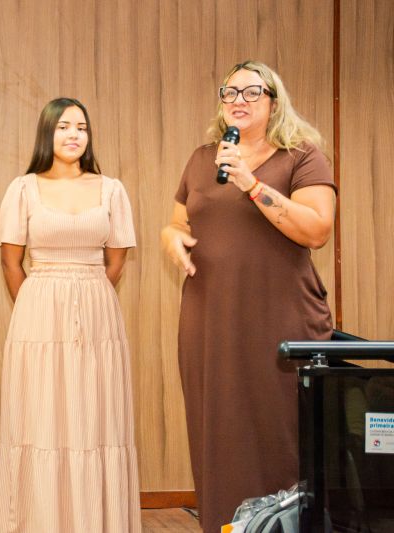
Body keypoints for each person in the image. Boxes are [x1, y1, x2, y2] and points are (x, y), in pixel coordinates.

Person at [161, 60, 336, 531]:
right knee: (216, 429)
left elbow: (317, 230)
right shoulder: (203, 158)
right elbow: (176, 222)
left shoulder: (301, 156)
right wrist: (171, 238)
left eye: (252, 92)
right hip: (209, 316)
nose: (238, 100)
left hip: (279, 318)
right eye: (230, 92)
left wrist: (252, 184)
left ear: (274, 102)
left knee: (279, 431)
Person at [0, 97, 141, 533]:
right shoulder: (23, 188)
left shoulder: (111, 189)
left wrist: (85, 294)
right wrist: (40, 302)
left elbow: (116, 261)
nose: (74, 134)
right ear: (47, 134)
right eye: (63, 127)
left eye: (81, 127)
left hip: (98, 313)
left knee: (96, 419)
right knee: (41, 419)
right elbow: (10, 263)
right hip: (37, 313)